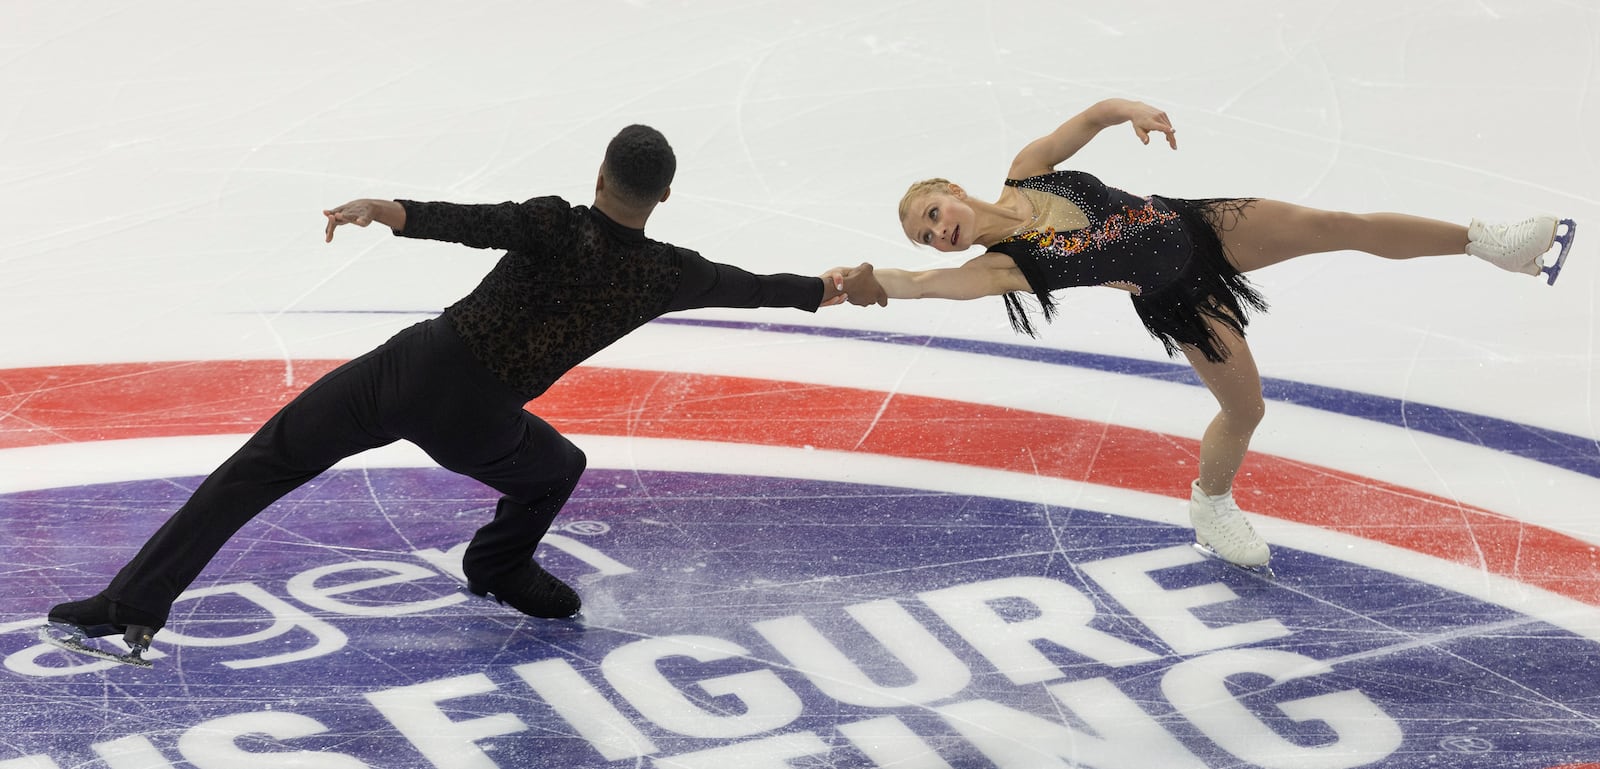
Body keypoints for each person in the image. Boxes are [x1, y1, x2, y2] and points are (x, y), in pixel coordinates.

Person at [44, 124, 872, 666]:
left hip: (411, 369)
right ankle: (497, 563)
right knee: (556, 466)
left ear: (598, 176)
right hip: (480, 419)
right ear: (665, 195)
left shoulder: (554, 221)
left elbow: (470, 219)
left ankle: (128, 604)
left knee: (264, 462)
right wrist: (822, 288)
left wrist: (384, 209)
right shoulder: (667, 272)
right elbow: (750, 285)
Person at [838, 97, 1576, 573]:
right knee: (1247, 410)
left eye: (932, 212)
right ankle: (1210, 500)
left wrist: (1133, 111)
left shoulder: (1030, 172)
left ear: (953, 191)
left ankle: (1489, 242)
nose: (937, 232)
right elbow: (922, 284)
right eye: (927, 235)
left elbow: (1088, 118)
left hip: (1200, 224)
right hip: (1179, 294)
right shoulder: (1007, 268)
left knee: (1333, 225)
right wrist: (873, 281)